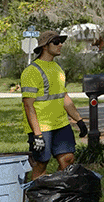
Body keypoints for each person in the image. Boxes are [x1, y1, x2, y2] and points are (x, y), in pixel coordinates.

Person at [21, 30, 88, 179]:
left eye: (61, 41)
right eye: (56, 42)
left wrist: (79, 120)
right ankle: (37, 197)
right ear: (45, 46)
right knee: (41, 164)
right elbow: (28, 106)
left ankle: (57, 193)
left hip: (61, 124)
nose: (60, 45)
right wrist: (37, 134)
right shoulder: (32, 71)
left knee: (68, 160)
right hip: (41, 127)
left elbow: (64, 97)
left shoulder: (57, 69)